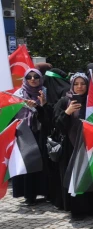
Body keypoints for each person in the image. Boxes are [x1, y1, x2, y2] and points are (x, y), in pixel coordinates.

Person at [53, 73, 93, 218]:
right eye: (76, 84)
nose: (80, 87)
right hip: (72, 147)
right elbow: (57, 126)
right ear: (72, 85)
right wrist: (67, 112)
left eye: (83, 83)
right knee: (76, 175)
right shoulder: (64, 101)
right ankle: (78, 209)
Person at [11, 68, 52, 205]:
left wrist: (42, 105)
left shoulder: (45, 92)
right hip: (24, 132)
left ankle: (45, 191)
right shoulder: (18, 94)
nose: (33, 79)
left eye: (36, 76)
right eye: (29, 77)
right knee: (28, 161)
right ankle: (29, 194)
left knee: (43, 161)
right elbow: (11, 114)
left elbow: (50, 113)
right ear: (25, 79)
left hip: (42, 131)